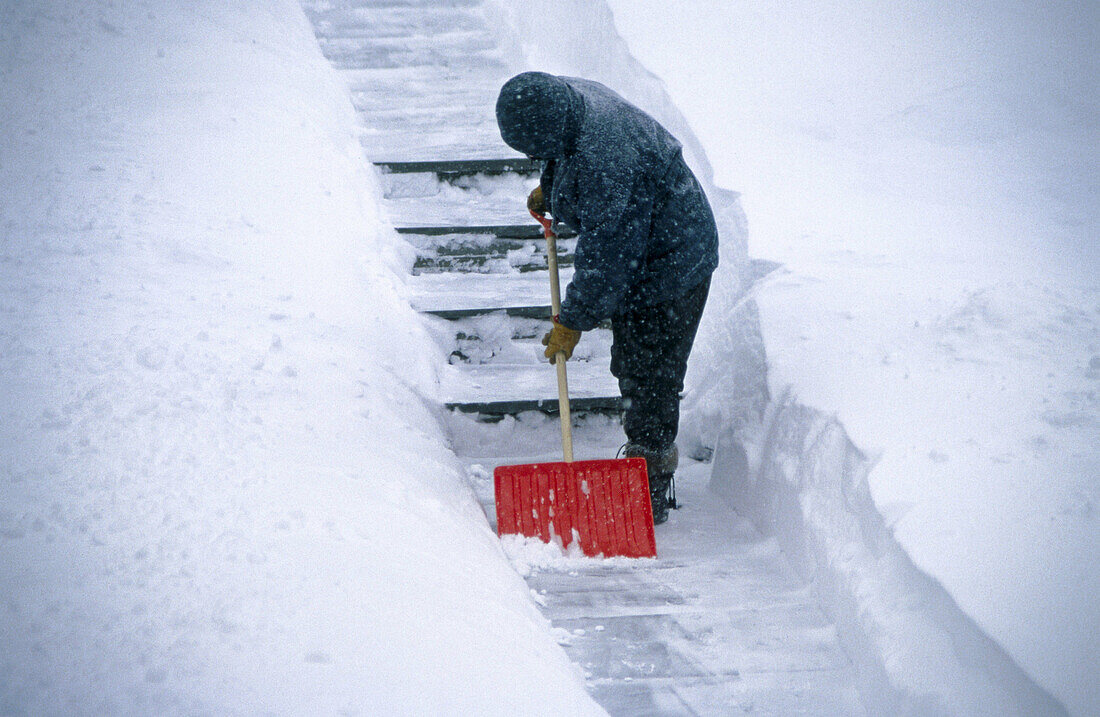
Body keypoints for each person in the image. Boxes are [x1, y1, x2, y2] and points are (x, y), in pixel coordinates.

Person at [495, 72, 718, 524]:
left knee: (649, 373)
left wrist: (572, 321)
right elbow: (569, 152)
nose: (535, 158)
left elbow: (607, 260)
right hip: (650, 238)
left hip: (672, 263)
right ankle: (644, 463)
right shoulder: (567, 98)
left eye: (536, 152)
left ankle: (650, 482)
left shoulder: (606, 160)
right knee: (634, 364)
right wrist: (556, 188)